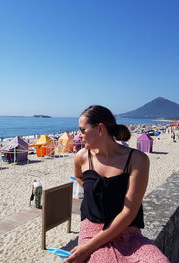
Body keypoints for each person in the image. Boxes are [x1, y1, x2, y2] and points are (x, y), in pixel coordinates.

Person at [66, 105, 169, 263]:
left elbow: (129, 213)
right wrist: (96, 195)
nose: (79, 136)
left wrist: (85, 249)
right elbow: (80, 178)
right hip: (92, 228)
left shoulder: (137, 160)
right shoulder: (81, 157)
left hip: (127, 231)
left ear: (100, 128)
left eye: (82, 130)